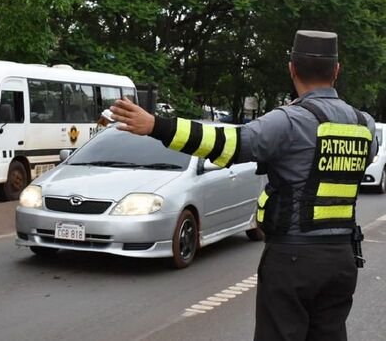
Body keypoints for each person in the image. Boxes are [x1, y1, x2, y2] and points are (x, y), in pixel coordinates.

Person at [109, 30, 376, 341]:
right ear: (337, 70)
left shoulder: (289, 121)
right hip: (341, 259)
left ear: (291, 68)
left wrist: (158, 126)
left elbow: (228, 144)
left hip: (293, 258)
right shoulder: (363, 124)